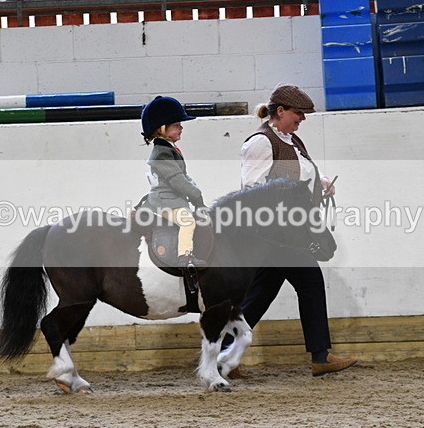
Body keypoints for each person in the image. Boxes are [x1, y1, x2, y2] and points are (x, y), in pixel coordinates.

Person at [230, 83, 357, 376]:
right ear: (280, 111)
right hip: (274, 231)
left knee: (259, 295)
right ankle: (320, 356)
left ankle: (224, 353)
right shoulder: (261, 142)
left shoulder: (291, 139)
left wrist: (322, 182)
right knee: (310, 283)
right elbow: (251, 188)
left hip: (289, 229)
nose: (302, 118)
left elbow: (305, 168)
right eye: (298, 113)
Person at [141, 95, 207, 269]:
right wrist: (197, 198)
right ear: (162, 129)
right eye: (176, 125)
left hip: (173, 200)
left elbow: (184, 177)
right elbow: (178, 181)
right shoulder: (161, 153)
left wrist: (196, 194)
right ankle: (184, 258)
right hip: (165, 202)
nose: (181, 128)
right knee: (188, 222)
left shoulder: (169, 148)